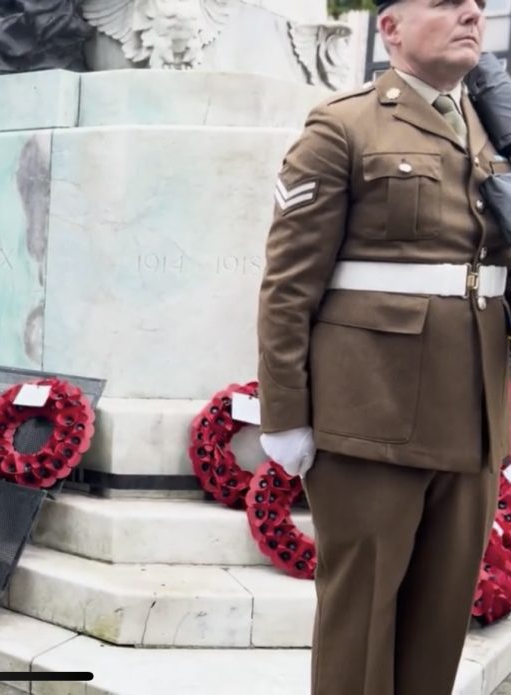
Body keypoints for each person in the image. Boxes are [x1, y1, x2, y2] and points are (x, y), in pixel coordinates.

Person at [256, 2, 507, 693]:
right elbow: (287, 286)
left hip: (474, 423)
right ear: (391, 28)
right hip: (370, 418)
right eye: (446, 2)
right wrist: (285, 415)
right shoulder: (344, 124)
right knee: (362, 621)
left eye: (478, 7)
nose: (469, 14)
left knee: (439, 626)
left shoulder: (494, 128)